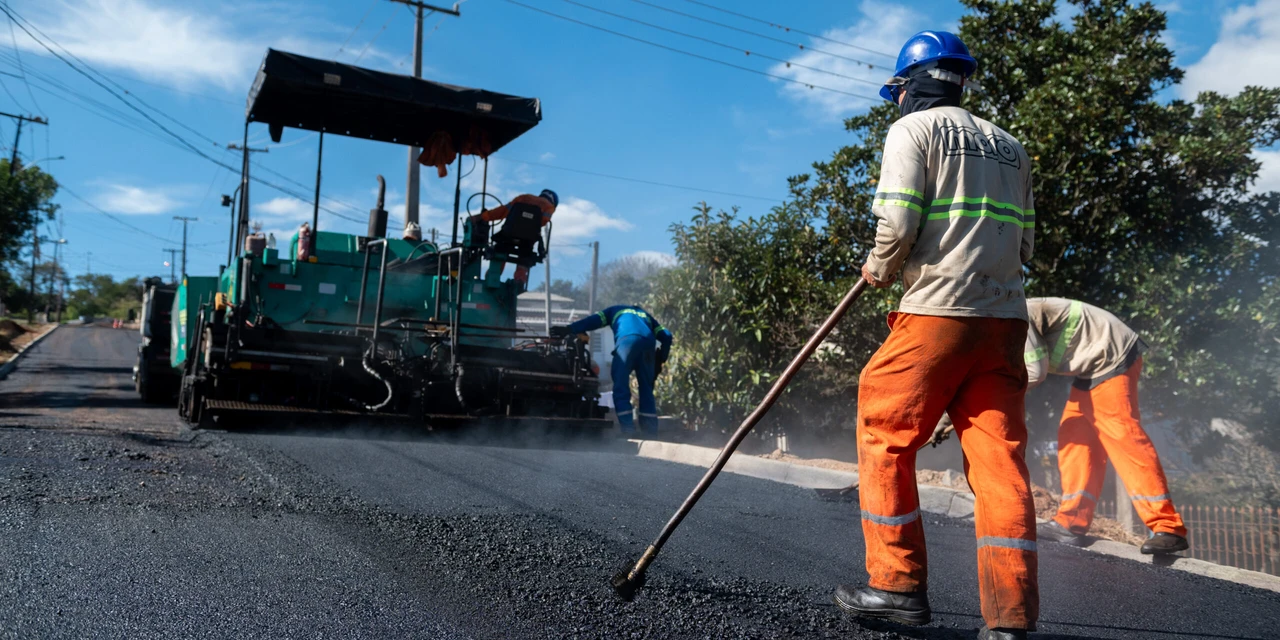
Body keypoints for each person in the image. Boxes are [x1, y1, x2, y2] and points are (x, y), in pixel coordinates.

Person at [835, 31, 1039, 640]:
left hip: (938, 312)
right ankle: (1011, 619)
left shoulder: (912, 131)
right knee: (1002, 465)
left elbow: (897, 219)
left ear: (910, 85)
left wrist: (879, 265)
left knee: (884, 431)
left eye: (896, 89)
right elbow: (1026, 245)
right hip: (1004, 322)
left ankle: (895, 586)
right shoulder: (1012, 146)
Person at [1025, 297, 1189, 554]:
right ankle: (1072, 522)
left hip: (1111, 354)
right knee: (1074, 435)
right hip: (1093, 364)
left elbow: (1033, 372)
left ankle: (1168, 527)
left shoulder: (1011, 316)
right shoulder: (998, 319)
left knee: (1122, 435)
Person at [553, 305, 672, 435]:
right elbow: (667, 336)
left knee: (620, 387)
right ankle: (650, 432)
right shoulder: (645, 315)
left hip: (627, 342)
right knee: (646, 389)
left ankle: (628, 430)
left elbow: (593, 320)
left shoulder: (614, 310)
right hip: (648, 344)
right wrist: (661, 358)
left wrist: (570, 329)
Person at [471, 189, 558, 283]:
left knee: (500, 252)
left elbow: (502, 211)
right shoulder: (549, 207)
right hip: (527, 241)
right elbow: (543, 221)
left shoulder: (524, 198)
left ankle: (491, 278)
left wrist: (482, 217)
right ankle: (519, 281)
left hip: (507, 236)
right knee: (525, 257)